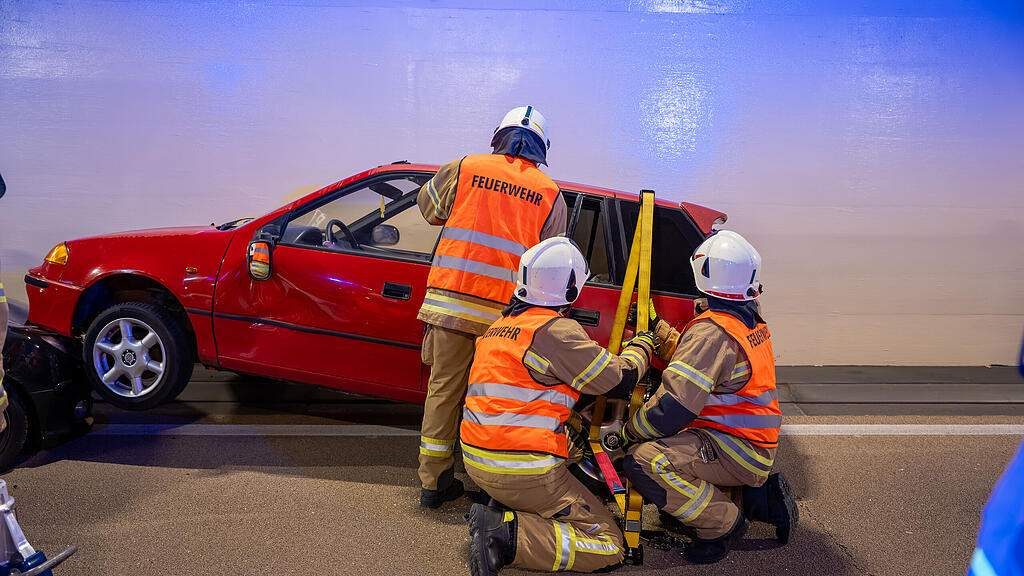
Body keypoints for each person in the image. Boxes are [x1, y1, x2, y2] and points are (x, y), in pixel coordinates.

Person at [463, 237, 659, 575]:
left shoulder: (502, 326)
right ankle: (507, 534)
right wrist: (642, 344)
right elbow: (619, 379)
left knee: (572, 444)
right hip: (520, 468)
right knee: (609, 545)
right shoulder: (556, 331)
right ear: (570, 289)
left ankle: (503, 504)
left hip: (477, 460)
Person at [415, 107, 567, 508]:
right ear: (542, 148)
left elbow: (429, 210)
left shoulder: (464, 168)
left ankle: (433, 483)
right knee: (494, 400)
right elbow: (552, 261)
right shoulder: (550, 193)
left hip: (450, 303)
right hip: (505, 320)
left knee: (443, 392)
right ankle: (492, 486)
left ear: (498, 136)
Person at [619, 230, 797, 564]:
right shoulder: (745, 318)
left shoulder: (713, 330)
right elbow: (702, 365)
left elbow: (672, 408)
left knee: (645, 460)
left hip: (735, 447)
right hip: (751, 441)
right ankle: (761, 499)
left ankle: (721, 525)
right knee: (673, 450)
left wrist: (628, 432)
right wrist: (658, 328)